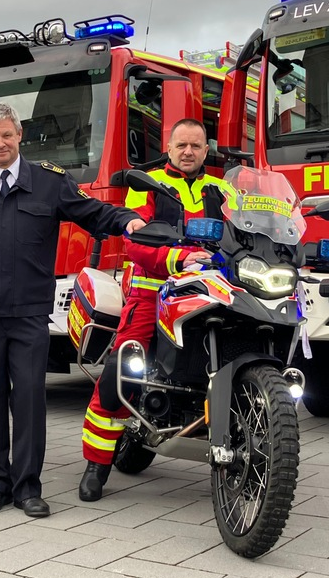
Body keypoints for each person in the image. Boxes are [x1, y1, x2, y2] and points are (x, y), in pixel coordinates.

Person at [0, 102, 145, 518]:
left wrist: (126, 221)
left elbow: (92, 213)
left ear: (20, 136)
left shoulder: (50, 183)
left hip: (30, 313)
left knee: (30, 401)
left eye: (7, 135)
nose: (0, 143)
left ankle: (28, 487)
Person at [78, 118, 228, 502]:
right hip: (152, 293)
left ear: (206, 150)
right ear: (170, 146)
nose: (188, 152)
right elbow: (136, 244)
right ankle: (97, 465)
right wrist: (178, 257)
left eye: (196, 146)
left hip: (212, 291)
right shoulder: (149, 185)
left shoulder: (223, 190)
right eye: (182, 145)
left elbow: (248, 230)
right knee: (121, 369)